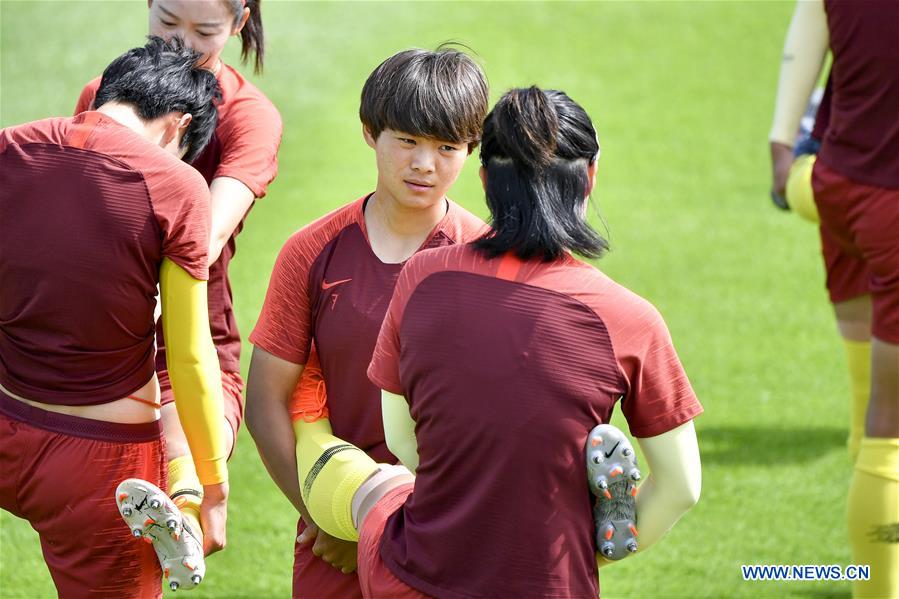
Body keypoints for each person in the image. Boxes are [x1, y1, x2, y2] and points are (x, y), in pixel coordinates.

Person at [295, 86, 703, 598]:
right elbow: (683, 486)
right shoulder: (629, 319)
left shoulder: (422, 278)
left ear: (485, 178)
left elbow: (401, 440)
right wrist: (586, 544)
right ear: (590, 176)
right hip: (553, 581)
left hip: (416, 573)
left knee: (376, 483)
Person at [245, 47, 488, 598]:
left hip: (450, 539)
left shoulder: (487, 260)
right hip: (332, 535)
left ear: (470, 151)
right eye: (407, 141)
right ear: (369, 132)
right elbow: (265, 403)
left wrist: (405, 528)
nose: (424, 164)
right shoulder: (311, 251)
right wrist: (330, 515)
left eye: (447, 147)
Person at [0, 37, 227, 598]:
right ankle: (186, 502)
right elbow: (191, 353)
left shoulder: (7, 149)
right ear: (179, 124)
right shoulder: (177, 185)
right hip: (102, 463)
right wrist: (213, 483)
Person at [73, 0, 282, 571]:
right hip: (106, 328)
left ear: (240, 23)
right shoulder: (104, 98)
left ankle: (183, 514)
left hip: (192, 324)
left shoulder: (248, 117)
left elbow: (205, 236)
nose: (181, 42)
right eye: (166, 21)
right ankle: (181, 511)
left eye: (205, 30)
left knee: (187, 425)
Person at [769, 2, 899, 596]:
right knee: (889, 432)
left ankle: (868, 573)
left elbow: (809, 23)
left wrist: (782, 145)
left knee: (866, 400)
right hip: (891, 210)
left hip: (836, 188)